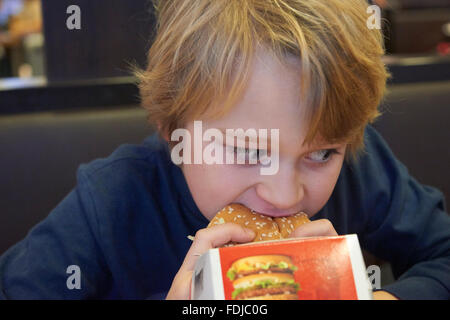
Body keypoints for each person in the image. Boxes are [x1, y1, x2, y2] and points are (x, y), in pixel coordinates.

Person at [0, 0, 449, 300]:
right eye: (248, 151)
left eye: (320, 154)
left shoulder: (356, 167)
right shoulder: (112, 203)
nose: (284, 196)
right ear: (172, 129)